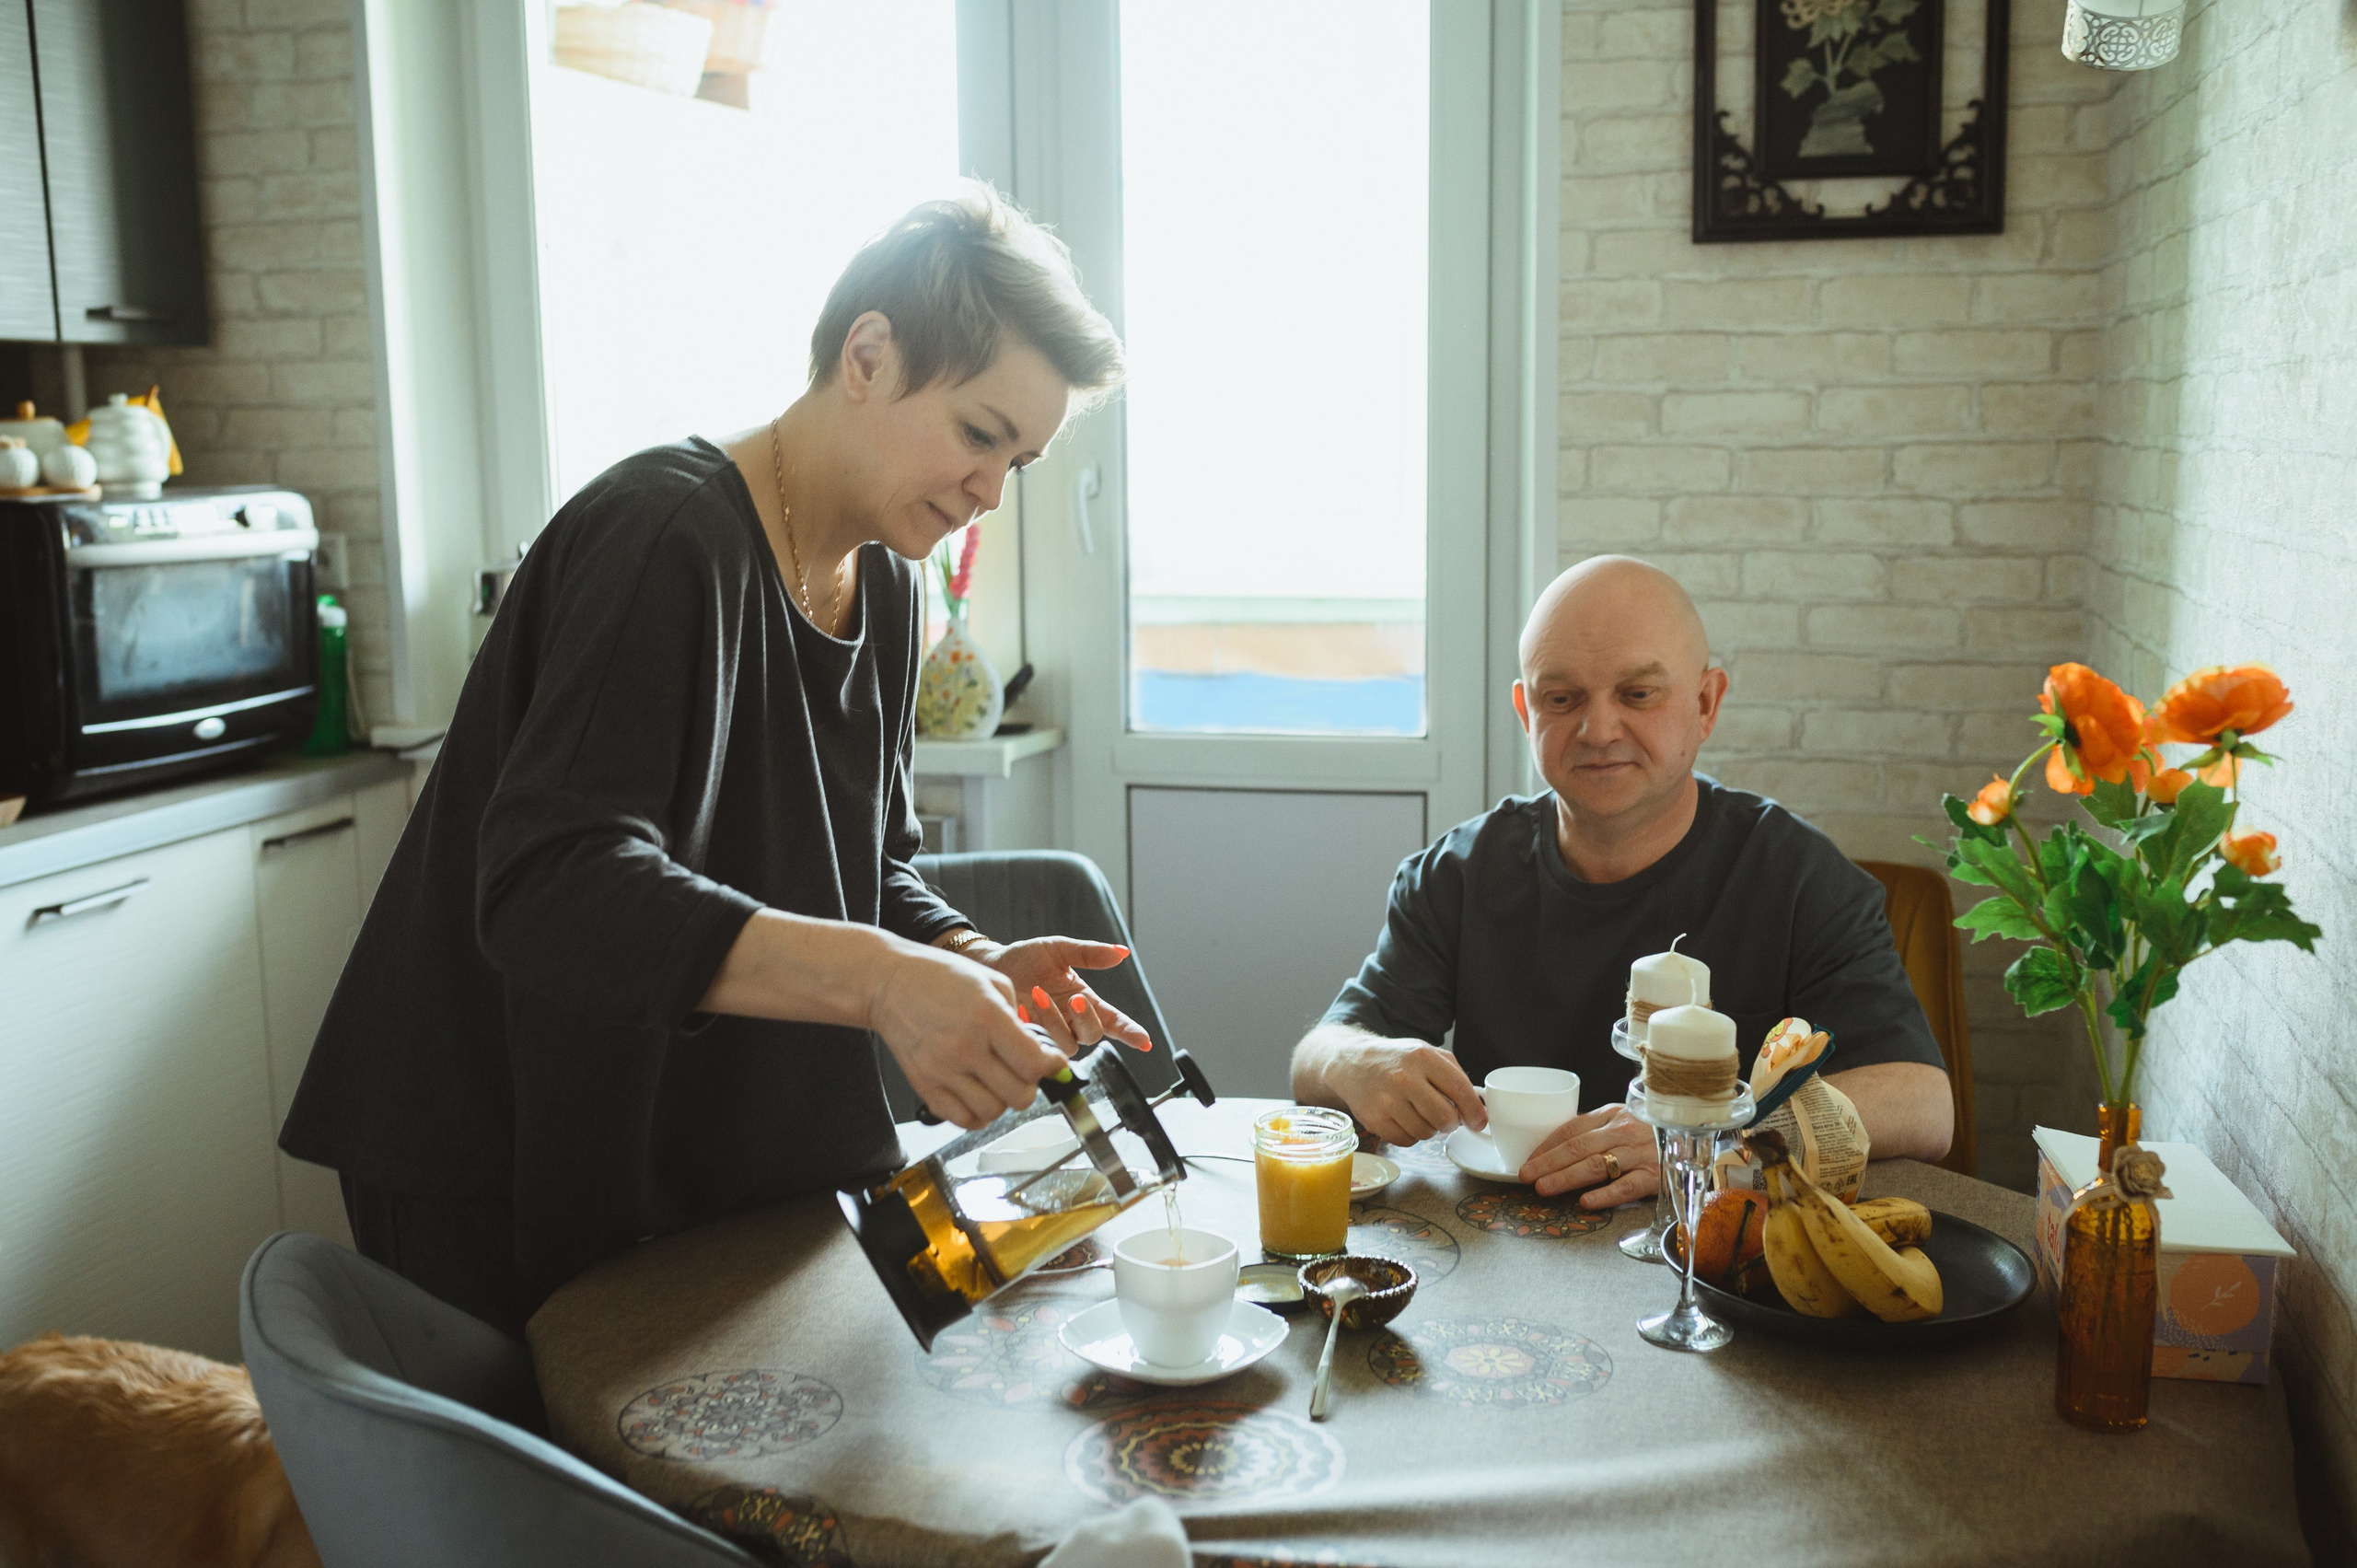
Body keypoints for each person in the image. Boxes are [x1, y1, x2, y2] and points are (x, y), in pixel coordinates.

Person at [283, 186, 1144, 1335]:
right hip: (493, 1138)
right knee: (560, 1502)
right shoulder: (666, 535)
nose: (993, 488)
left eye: (1020, 461)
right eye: (981, 434)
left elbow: (864, 869)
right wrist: (884, 982)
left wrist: (970, 956)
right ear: (870, 356)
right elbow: (552, 884)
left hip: (665, 1134)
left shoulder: (884, 584)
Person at [1289, 555, 1954, 1207]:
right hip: (1505, 1254)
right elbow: (1320, 1053)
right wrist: (1359, 1062)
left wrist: (1711, 1141)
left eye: (1637, 694)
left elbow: (1925, 1103)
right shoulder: (1457, 875)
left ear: (1704, 703)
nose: (1598, 729)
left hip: (1721, 1260)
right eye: (1562, 698)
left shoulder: (1800, 876)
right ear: (1527, 714)